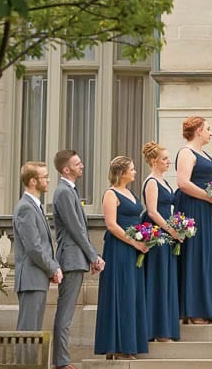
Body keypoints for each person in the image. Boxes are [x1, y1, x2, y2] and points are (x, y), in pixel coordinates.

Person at [52, 150, 104, 369]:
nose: (82, 165)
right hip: (70, 259)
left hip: (76, 258)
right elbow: (76, 229)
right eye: (77, 163)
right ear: (66, 169)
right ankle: (61, 361)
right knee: (65, 312)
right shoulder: (63, 192)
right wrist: (93, 256)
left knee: (67, 311)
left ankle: (61, 360)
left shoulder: (70, 191)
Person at [94, 156, 149, 360]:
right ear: (121, 172)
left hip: (134, 249)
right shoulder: (110, 194)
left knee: (132, 294)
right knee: (119, 292)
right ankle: (115, 345)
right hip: (119, 249)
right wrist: (135, 242)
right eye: (132, 169)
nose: (135, 172)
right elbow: (111, 225)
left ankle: (129, 344)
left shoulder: (130, 192)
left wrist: (145, 238)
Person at [175, 116, 212, 324]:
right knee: (197, 255)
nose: (210, 132)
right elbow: (183, 183)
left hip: (209, 209)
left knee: (210, 254)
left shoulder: (202, 153)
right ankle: (194, 309)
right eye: (207, 128)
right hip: (195, 208)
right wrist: (209, 196)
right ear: (198, 130)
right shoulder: (186, 152)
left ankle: (208, 306)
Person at [13, 162, 62, 332]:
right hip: (30, 280)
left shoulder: (35, 206)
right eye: (45, 177)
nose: (48, 180)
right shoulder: (26, 208)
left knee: (33, 332)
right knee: (28, 332)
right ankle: (24, 361)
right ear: (33, 181)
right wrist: (53, 269)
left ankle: (30, 360)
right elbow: (34, 247)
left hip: (37, 279)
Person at [141, 141, 181, 343]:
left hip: (167, 234)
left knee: (166, 279)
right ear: (154, 161)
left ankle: (164, 328)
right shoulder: (151, 182)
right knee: (157, 279)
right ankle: (156, 330)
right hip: (157, 236)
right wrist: (170, 229)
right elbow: (152, 211)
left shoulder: (163, 181)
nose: (168, 162)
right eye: (165, 159)